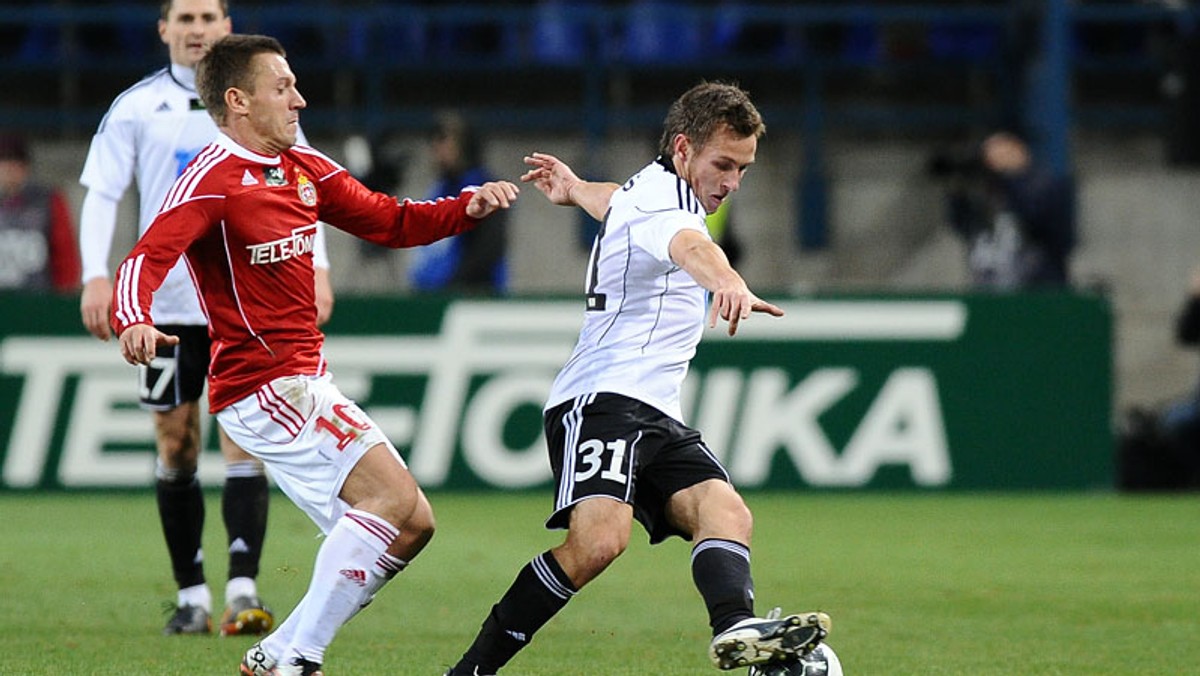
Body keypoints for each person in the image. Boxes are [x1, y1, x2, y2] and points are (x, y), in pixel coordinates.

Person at [110, 34, 518, 675]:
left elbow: (388, 219)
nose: (299, 98)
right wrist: (132, 317)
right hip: (262, 386)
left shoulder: (305, 166)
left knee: (412, 524)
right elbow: (144, 259)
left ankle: (273, 655)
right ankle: (301, 658)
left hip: (302, 380)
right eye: (283, 87)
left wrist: (463, 208)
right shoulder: (211, 180)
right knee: (390, 497)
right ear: (239, 101)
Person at [444, 81, 830, 676]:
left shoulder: (646, 191)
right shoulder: (669, 210)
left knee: (726, 514)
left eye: (744, 168)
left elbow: (617, 201)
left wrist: (574, 190)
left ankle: (738, 634)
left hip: (654, 410)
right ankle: (471, 671)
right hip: (601, 399)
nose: (731, 182)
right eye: (722, 164)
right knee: (598, 543)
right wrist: (726, 280)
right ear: (683, 148)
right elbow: (687, 246)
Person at [77, 0, 334, 637]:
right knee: (177, 440)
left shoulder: (263, 103)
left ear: (226, 29)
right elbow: (104, 192)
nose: (196, 30)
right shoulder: (135, 107)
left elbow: (304, 187)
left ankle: (242, 590)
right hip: (165, 309)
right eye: (184, 19)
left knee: (243, 438)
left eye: (207, 18)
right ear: (164, 29)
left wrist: (320, 265)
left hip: (241, 305)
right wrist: (95, 274)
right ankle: (192, 592)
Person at [943, 130, 1076, 289]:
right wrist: (957, 189)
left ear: (1020, 150)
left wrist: (1012, 176)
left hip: (1037, 291)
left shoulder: (1050, 188)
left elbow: (1050, 229)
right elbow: (962, 226)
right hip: (988, 289)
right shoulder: (986, 193)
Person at [408, 110, 509, 294]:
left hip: (472, 297)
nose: (437, 148)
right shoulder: (439, 189)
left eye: (444, 139)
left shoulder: (485, 191)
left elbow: (488, 250)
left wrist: (453, 285)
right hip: (429, 295)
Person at [0, 133, 81, 293]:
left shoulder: (47, 200)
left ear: (26, 167)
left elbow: (65, 254)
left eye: (15, 163)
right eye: (4, 163)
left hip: (38, 300)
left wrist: (63, 293)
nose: (9, 169)